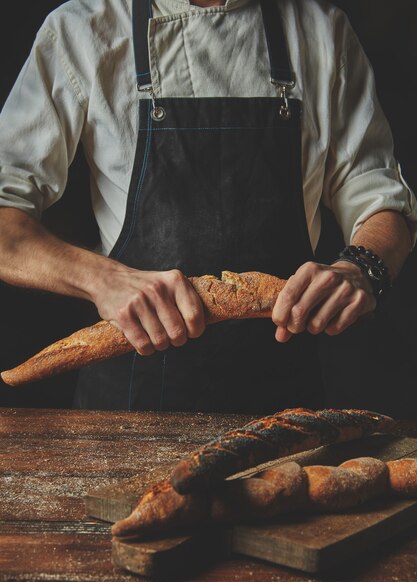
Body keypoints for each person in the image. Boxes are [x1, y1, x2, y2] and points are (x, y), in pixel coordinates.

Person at [0, 0, 415, 412]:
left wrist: (360, 268)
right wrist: (101, 278)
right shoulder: (84, 29)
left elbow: (381, 199)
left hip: (283, 407)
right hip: (128, 405)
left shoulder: (322, 31)